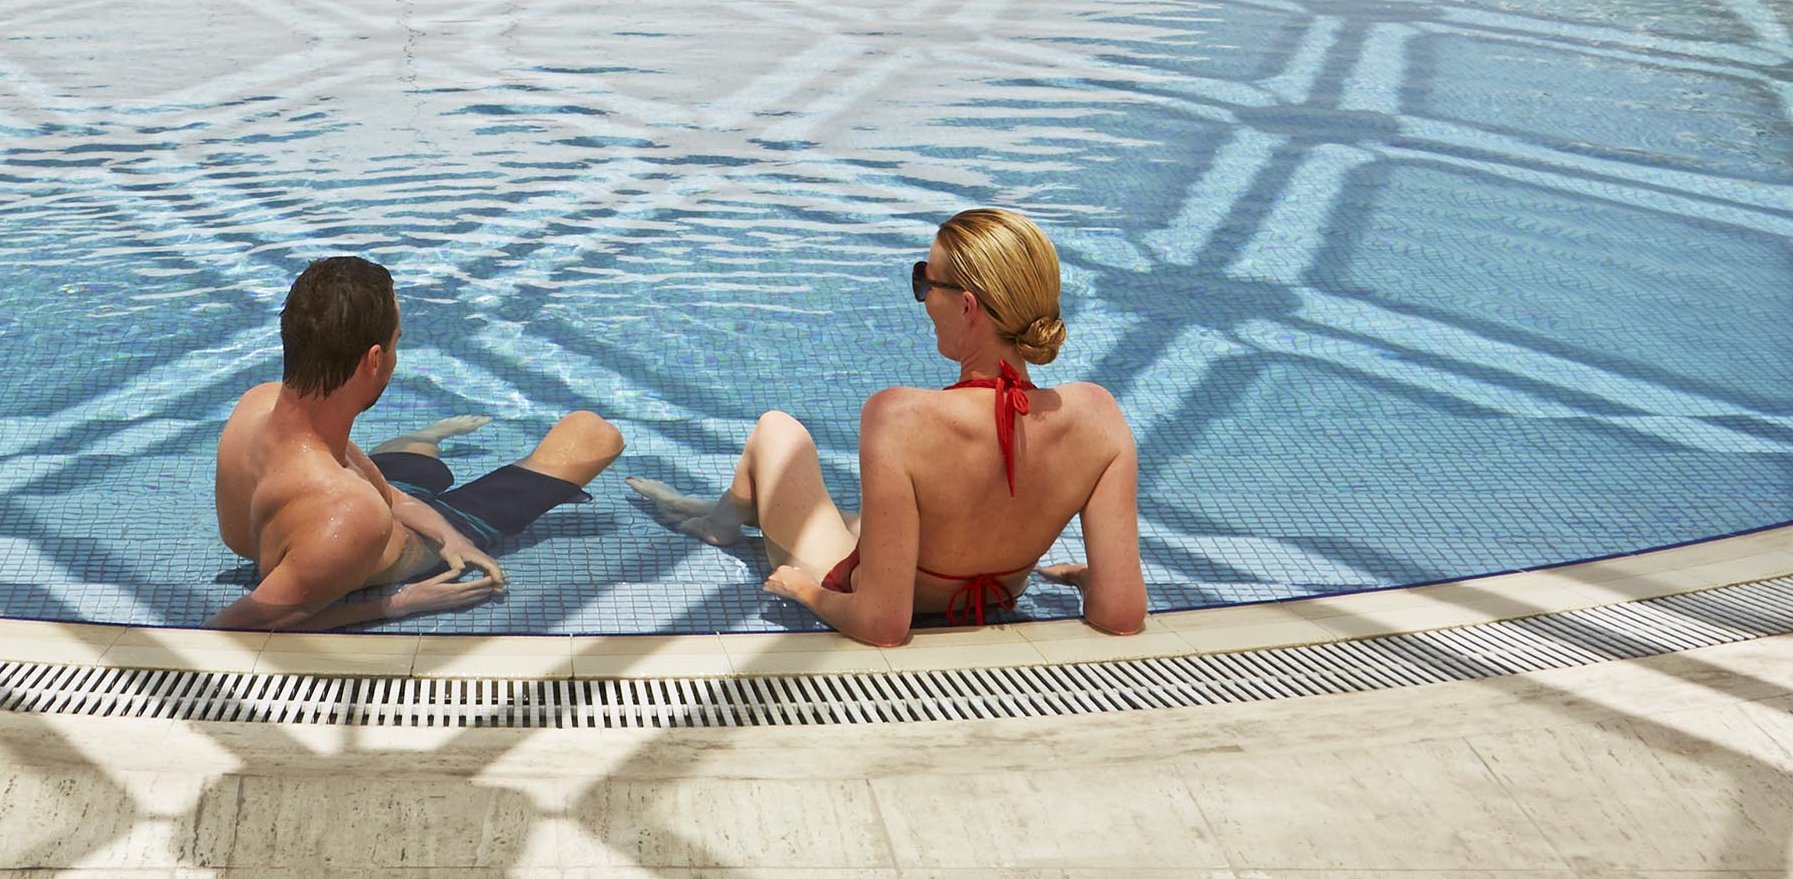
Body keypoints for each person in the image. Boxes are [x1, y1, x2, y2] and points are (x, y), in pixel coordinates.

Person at [633, 204, 1143, 645]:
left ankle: (719, 523)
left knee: (776, 431)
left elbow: (883, 623)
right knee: (859, 515)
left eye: (925, 280)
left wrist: (802, 589)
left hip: (883, 594)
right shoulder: (1098, 416)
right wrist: (1085, 578)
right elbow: (1120, 614)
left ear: (967, 306)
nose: (922, 297)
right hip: (992, 593)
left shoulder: (901, 417)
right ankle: (726, 514)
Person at [211, 253, 622, 631]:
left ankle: (429, 439)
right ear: (373, 360)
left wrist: (448, 536)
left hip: (353, 506)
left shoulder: (258, 404)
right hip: (382, 539)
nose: (395, 357)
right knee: (596, 434)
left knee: (414, 470)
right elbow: (229, 631)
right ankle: (428, 442)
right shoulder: (350, 515)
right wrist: (400, 602)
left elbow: (371, 488)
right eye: (397, 342)